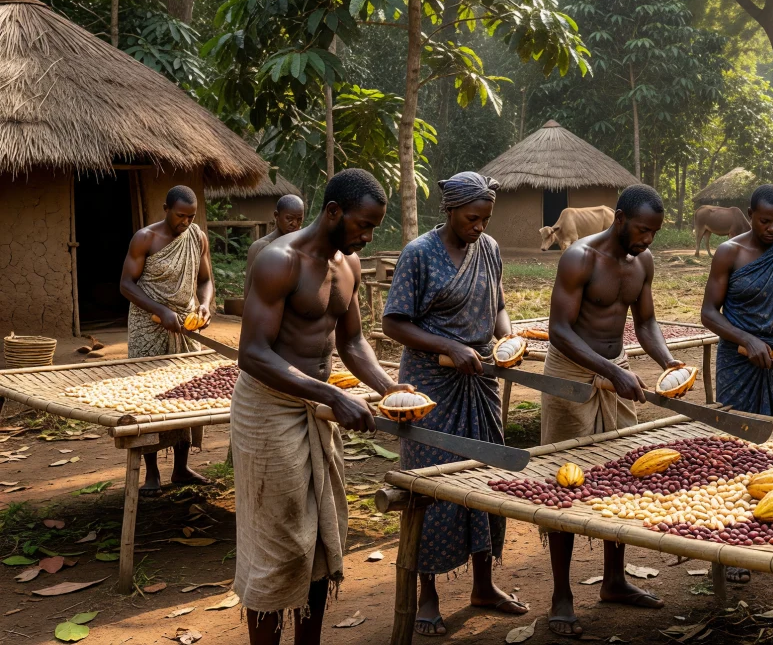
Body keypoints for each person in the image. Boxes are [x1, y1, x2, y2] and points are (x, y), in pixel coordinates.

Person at [234, 169, 410, 645]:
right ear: (333, 211)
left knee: (318, 538)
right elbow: (252, 353)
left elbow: (352, 343)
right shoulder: (279, 261)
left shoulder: (348, 266)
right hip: (269, 409)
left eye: (374, 227)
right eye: (362, 225)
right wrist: (333, 394)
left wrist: (389, 389)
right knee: (278, 543)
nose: (368, 236)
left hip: (316, 405)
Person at [381, 172, 529, 636]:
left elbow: (498, 304)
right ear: (448, 211)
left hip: (479, 380)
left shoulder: (490, 249)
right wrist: (449, 345)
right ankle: (428, 593)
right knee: (433, 487)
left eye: (486, 218)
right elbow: (394, 323)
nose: (480, 226)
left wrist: (506, 335)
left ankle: (483, 585)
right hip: (430, 388)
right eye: (471, 218)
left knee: (487, 481)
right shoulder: (419, 254)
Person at [543, 184, 680, 637]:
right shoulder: (579, 258)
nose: (648, 240)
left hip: (615, 371)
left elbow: (645, 322)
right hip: (570, 375)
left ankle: (615, 580)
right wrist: (608, 370)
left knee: (622, 475)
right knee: (565, 483)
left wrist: (667, 361)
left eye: (654, 233)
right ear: (619, 218)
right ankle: (562, 595)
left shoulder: (643, 262)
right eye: (642, 230)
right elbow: (560, 330)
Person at [119, 184, 214, 495]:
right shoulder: (145, 238)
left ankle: (181, 468)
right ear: (166, 208)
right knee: (149, 396)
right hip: (149, 324)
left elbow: (205, 280)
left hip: (185, 324)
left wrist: (204, 304)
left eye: (191, 216)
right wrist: (159, 309)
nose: (185, 222)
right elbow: (126, 285)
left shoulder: (197, 237)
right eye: (180, 216)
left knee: (185, 394)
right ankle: (151, 473)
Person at [701, 184, 773, 423]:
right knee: (737, 445)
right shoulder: (729, 253)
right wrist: (747, 340)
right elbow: (709, 313)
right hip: (738, 362)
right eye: (764, 221)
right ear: (750, 214)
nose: (772, 229)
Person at [244, 193, 306, 294]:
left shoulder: (304, 245)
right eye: (289, 219)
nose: (295, 224)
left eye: (299, 220)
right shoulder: (259, 247)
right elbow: (248, 290)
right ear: (276, 215)